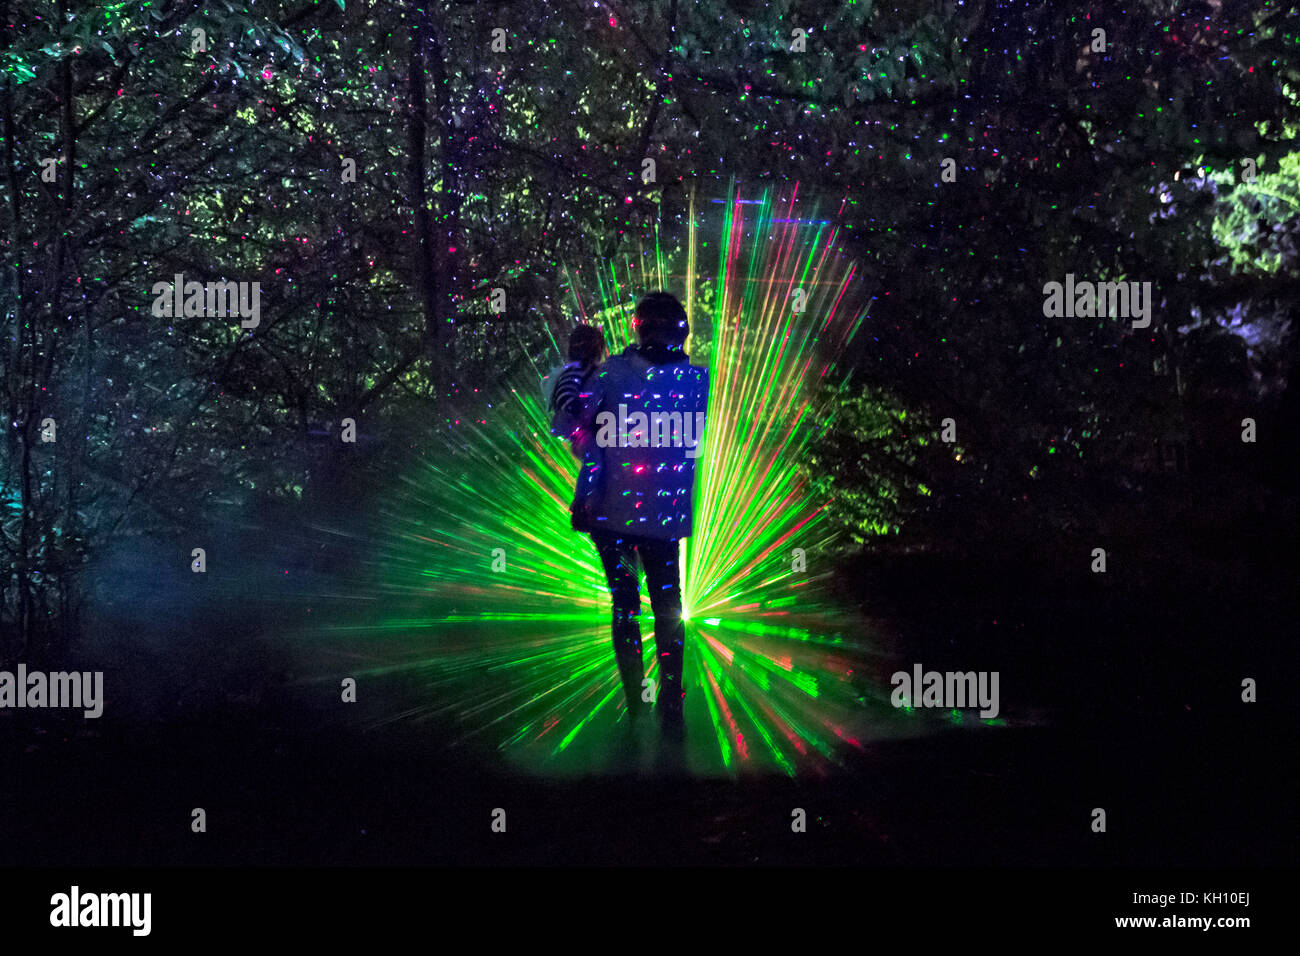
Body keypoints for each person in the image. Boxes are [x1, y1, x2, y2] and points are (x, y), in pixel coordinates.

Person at [571, 292, 708, 740]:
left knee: (626, 605)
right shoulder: (695, 380)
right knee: (668, 607)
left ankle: (636, 706)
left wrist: (584, 370)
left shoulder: (610, 375)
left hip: (611, 513)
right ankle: (671, 708)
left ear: (638, 327)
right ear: (678, 331)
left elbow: (579, 433)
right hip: (663, 517)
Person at [543, 324, 607, 461]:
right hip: (591, 440)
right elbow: (565, 398)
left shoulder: (581, 372)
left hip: (595, 440)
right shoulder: (575, 373)